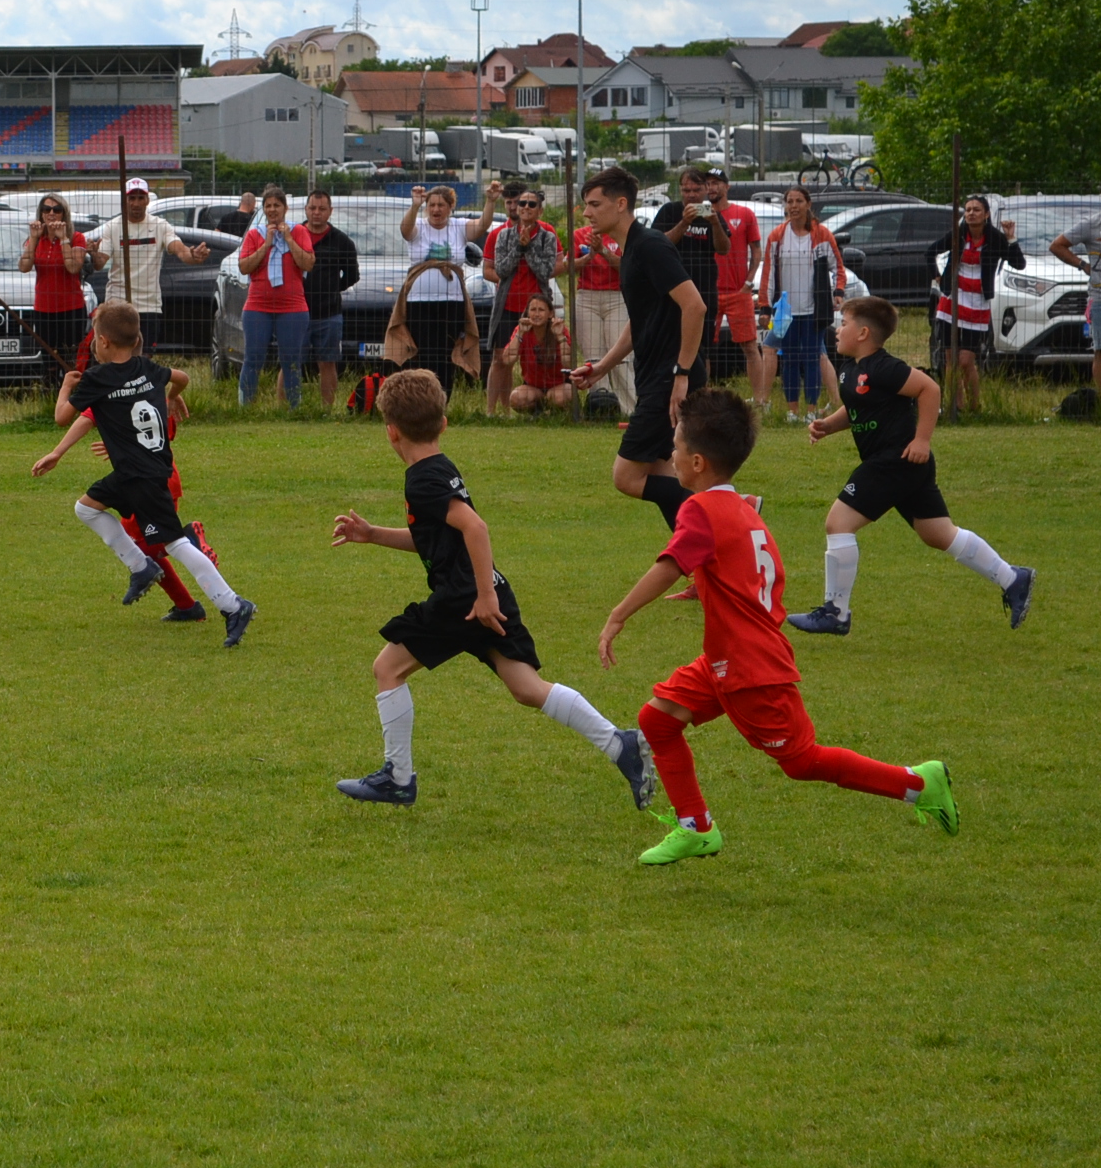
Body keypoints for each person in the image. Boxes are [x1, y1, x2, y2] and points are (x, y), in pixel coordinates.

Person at [597, 388, 960, 865]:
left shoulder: (699, 509)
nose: (671, 453)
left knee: (801, 760)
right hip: (730, 656)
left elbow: (670, 565)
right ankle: (696, 828)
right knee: (658, 721)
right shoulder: (744, 509)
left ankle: (917, 783)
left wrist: (618, 614)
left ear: (698, 462)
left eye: (676, 446)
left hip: (749, 666)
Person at [331, 369, 653, 808]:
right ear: (444, 424)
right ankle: (621, 744)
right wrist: (374, 535)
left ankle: (398, 778)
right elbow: (438, 539)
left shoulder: (422, 479)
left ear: (391, 432)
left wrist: (483, 596)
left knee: (387, 668)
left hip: (464, 600)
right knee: (527, 688)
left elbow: (475, 528)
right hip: (486, 593)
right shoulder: (439, 468)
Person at [784, 296, 1034, 636]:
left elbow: (929, 389)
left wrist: (922, 440)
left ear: (863, 333)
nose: (837, 330)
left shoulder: (884, 367)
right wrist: (829, 425)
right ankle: (1012, 578)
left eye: (844, 323)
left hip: (895, 460)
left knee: (838, 523)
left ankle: (835, 613)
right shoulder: (850, 370)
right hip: (904, 466)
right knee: (937, 533)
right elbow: (859, 408)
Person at [32, 301, 256, 647]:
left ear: (103, 342)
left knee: (174, 543)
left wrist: (65, 386)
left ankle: (233, 605)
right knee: (86, 508)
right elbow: (182, 378)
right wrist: (173, 397)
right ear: (136, 340)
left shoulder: (97, 379)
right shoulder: (147, 368)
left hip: (143, 478)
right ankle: (142, 567)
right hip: (140, 471)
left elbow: (62, 416)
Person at [568, 168, 710, 533]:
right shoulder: (630, 250)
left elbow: (695, 306)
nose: (587, 213)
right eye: (586, 205)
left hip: (669, 378)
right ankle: (699, 551)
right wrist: (601, 367)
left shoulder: (650, 246)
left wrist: (681, 374)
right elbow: (640, 320)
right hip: (656, 378)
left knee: (627, 476)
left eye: (594, 204)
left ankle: (729, 507)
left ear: (621, 204)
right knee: (668, 468)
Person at [85, 177, 210, 359]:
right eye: (131, 198)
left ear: (147, 200)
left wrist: (193, 255)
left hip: (149, 305)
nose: (136, 203)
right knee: (116, 359)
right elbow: (99, 263)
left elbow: (180, 250)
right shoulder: (113, 227)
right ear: (125, 200)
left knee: (144, 359)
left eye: (140, 198)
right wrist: (94, 253)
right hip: (118, 305)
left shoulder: (160, 225)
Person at [926, 194, 1023, 416]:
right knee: (950, 359)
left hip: (978, 304)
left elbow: (1019, 264)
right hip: (951, 303)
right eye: (968, 209)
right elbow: (930, 252)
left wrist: (1011, 239)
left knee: (966, 360)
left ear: (986, 214)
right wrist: (938, 277)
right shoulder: (958, 235)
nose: (971, 213)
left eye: (976, 210)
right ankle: (956, 408)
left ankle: (974, 407)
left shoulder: (995, 238)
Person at [758, 185, 847, 423]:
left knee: (812, 358)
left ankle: (811, 410)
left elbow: (838, 268)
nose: (794, 206)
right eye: (790, 202)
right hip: (785, 311)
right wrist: (765, 307)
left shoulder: (822, 234)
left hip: (813, 310)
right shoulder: (777, 236)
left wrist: (838, 291)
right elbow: (768, 274)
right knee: (788, 359)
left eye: (798, 201)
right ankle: (792, 411)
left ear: (808, 204)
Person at [398, 185, 489, 397]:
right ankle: (422, 398)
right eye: (432, 205)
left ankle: (442, 398)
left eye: (441, 205)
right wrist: (415, 205)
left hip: (452, 302)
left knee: (445, 353)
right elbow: (405, 231)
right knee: (423, 352)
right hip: (419, 302)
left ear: (450, 207)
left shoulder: (459, 226)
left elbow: (482, 225)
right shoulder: (418, 225)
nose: (436, 209)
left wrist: (491, 202)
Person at [482, 187, 565, 415]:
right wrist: (519, 246)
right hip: (508, 305)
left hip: (537, 307)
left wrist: (528, 248)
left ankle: (543, 404)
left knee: (541, 356)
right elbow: (501, 270)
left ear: (540, 210)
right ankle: (492, 412)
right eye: (522, 203)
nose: (525, 207)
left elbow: (545, 271)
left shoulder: (548, 236)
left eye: (531, 204)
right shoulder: (503, 235)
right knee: (501, 359)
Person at [235, 185, 315, 407]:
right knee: (253, 359)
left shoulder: (299, 231)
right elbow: (244, 266)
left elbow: (308, 263)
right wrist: (266, 244)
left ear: (285, 208)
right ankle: (245, 408)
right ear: (263, 209)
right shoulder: (255, 234)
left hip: (292, 308)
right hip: (258, 307)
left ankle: (294, 408)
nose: (272, 209)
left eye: (276, 205)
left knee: (291, 361)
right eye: (268, 206)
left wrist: (288, 239)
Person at [649, 170, 729, 385]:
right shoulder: (670, 211)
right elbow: (659, 244)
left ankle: (702, 392)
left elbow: (724, 248)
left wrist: (715, 223)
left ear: (706, 190)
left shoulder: (712, 214)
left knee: (703, 348)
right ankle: (668, 388)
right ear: (680, 190)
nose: (691, 195)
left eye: (696, 190)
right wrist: (684, 222)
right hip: (671, 291)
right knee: (668, 345)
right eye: (686, 190)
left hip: (704, 290)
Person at [701, 170, 770, 407]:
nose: (711, 187)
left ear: (727, 187)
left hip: (738, 292)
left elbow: (757, 251)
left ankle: (760, 400)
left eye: (716, 183)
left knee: (749, 345)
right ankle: (703, 398)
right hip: (708, 291)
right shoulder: (701, 213)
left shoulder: (744, 214)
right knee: (704, 347)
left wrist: (748, 283)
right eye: (708, 183)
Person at [567, 211, 634, 414]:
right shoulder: (580, 235)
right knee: (593, 356)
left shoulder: (620, 235)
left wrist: (603, 251)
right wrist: (589, 256)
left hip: (616, 296)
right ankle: (601, 408)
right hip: (587, 297)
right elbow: (569, 266)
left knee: (621, 356)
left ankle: (631, 409)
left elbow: (627, 267)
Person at [301, 189, 360, 406]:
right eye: (312, 208)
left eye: (322, 209)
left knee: (327, 363)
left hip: (329, 314)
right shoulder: (293, 236)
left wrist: (332, 289)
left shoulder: (342, 242)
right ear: (306, 209)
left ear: (330, 211)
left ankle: (326, 410)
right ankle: (285, 409)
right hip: (295, 313)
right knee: (290, 363)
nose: (316, 212)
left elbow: (352, 275)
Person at [18, 193, 89, 368]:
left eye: (56, 210)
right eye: (46, 209)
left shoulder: (76, 237)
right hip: (44, 308)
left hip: (71, 308)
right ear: (41, 213)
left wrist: (63, 239)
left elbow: (73, 267)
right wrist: (33, 238)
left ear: (64, 214)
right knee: (49, 361)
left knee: (70, 359)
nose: (51, 213)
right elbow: (24, 267)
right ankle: (51, 386)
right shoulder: (36, 239)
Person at [1046, 207, 1101, 398]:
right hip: (1099, 298)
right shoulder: (1092, 224)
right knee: (1100, 352)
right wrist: (1083, 265)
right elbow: (1057, 246)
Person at [501, 292, 574, 413]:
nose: (536, 314)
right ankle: (537, 413)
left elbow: (568, 363)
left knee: (559, 398)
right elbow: (507, 360)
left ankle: (559, 414)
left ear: (550, 314)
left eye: (541, 310)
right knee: (516, 398)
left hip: (559, 384)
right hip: (533, 386)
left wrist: (560, 337)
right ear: (527, 312)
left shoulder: (559, 329)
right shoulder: (522, 330)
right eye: (533, 310)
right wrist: (520, 334)